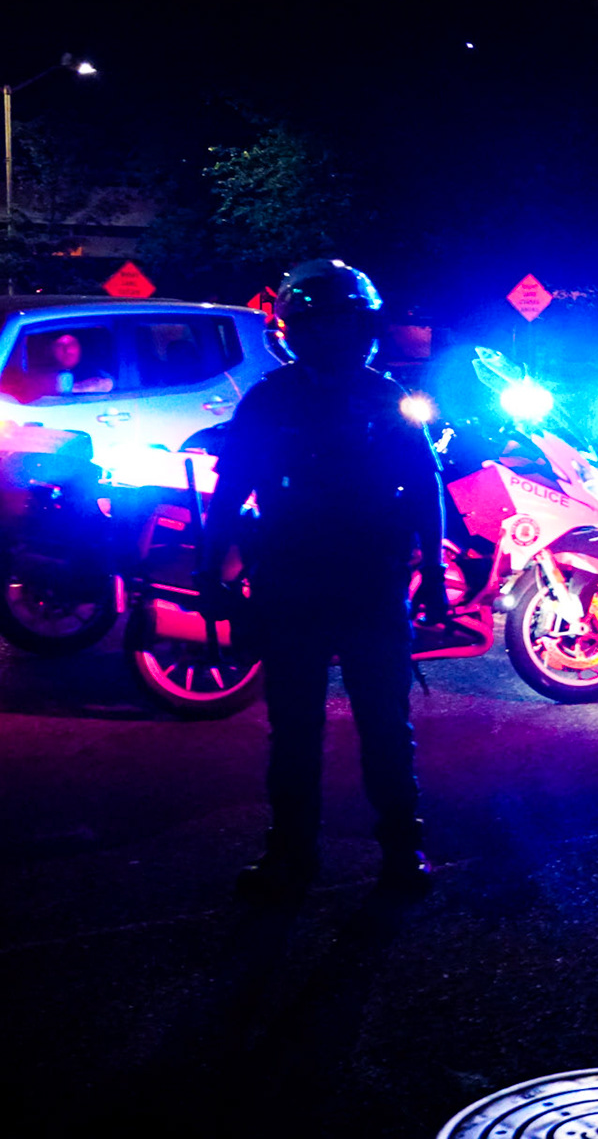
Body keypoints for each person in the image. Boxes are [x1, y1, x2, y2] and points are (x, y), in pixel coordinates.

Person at [201, 259, 446, 900]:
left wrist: (435, 571)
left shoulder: (385, 397)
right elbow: (231, 488)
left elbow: (424, 486)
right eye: (321, 325)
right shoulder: (269, 399)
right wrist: (210, 566)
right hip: (292, 580)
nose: (334, 337)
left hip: (369, 580)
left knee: (384, 724)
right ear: (297, 331)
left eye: (345, 324)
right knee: (294, 728)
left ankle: (402, 848)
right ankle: (291, 852)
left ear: (363, 329)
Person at [32, 331, 114, 399]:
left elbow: (108, 384)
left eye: (72, 344)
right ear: (52, 350)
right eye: (60, 345)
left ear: (79, 348)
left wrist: (76, 388)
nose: (67, 350)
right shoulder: (41, 371)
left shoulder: (92, 370)